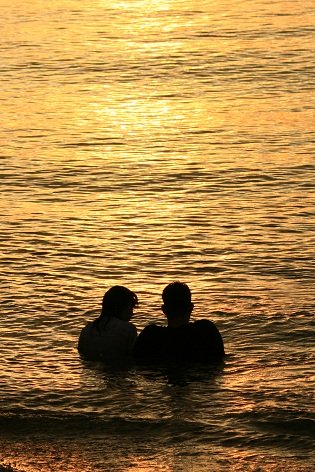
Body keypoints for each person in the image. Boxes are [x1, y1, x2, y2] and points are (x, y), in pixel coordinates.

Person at [134, 282, 224, 362]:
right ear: (191, 308)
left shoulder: (150, 336)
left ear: (164, 310)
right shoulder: (206, 330)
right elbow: (219, 360)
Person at [78, 286, 138, 361]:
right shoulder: (128, 329)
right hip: (118, 370)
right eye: (130, 308)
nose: (132, 313)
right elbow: (133, 357)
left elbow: (82, 355)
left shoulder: (86, 330)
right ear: (118, 307)